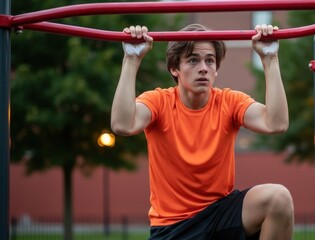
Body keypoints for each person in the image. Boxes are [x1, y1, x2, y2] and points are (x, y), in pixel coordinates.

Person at [111, 23, 294, 240]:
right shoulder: (159, 101)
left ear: (216, 69)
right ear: (174, 68)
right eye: (193, 60)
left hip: (218, 215)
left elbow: (276, 123)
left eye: (209, 60)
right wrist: (131, 59)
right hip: (172, 228)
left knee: (278, 199)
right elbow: (122, 124)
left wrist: (270, 58)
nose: (203, 68)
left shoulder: (228, 101)